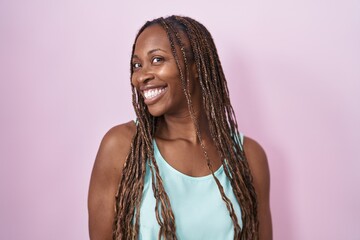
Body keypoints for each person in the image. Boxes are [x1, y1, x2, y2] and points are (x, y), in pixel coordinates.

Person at [88, 15, 272, 240]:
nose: (141, 76)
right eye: (137, 65)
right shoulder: (121, 146)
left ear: (196, 67)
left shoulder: (248, 157)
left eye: (157, 59)